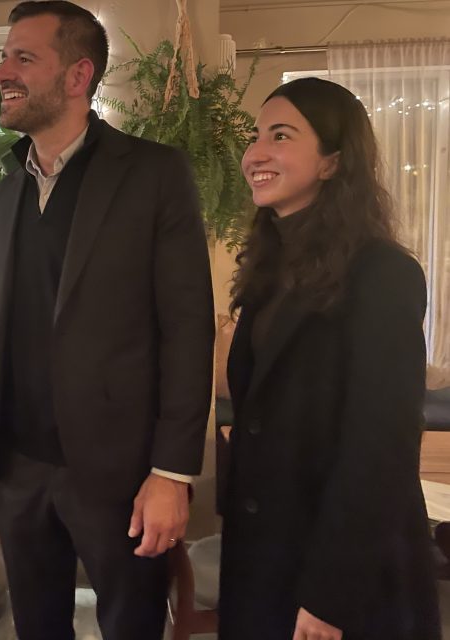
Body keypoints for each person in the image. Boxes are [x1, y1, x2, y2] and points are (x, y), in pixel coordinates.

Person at [0, 2, 215, 639]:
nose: (2, 72)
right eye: (4, 55)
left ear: (78, 76)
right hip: (19, 467)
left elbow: (188, 327)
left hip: (121, 474)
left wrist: (172, 472)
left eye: (24, 57)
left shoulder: (153, 173)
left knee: (131, 628)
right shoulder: (7, 187)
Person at [220, 77, 441, 640]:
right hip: (266, 553)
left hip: (343, 570)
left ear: (331, 162)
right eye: (256, 135)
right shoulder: (268, 272)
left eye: (282, 135)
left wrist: (330, 596)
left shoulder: (383, 273)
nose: (256, 153)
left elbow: (381, 447)